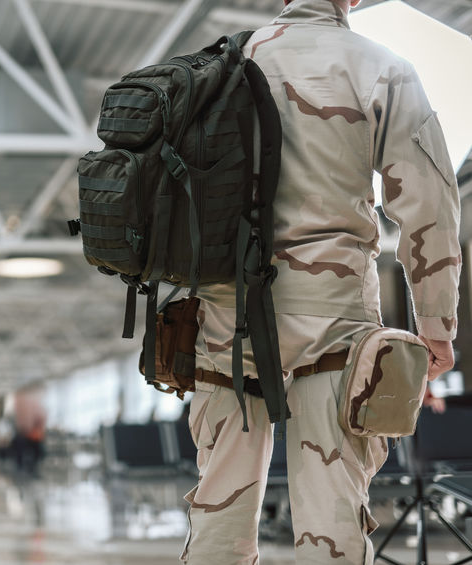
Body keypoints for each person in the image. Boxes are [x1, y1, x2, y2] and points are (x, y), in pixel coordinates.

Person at [181, 0, 461, 563]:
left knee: (221, 511)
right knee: (331, 513)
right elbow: (429, 206)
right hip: (330, 324)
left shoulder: (218, 67)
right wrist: (436, 325)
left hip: (223, 318)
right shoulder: (378, 66)